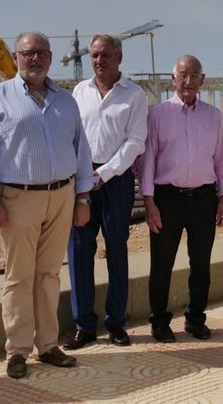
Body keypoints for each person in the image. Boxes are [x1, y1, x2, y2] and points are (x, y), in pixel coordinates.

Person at [0, 31, 94, 379]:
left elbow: (81, 151)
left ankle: (48, 345)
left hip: (62, 196)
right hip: (17, 198)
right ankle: (18, 350)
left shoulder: (66, 100)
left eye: (41, 53)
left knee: (49, 274)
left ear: (50, 58)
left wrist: (82, 198)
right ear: (16, 56)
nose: (35, 59)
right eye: (28, 53)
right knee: (19, 275)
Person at [140, 55, 223, 343]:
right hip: (167, 199)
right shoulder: (157, 115)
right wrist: (149, 201)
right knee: (162, 263)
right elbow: (148, 161)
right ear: (173, 79)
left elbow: (221, 160)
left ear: (202, 80)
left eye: (194, 75)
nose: (188, 81)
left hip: (204, 198)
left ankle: (195, 319)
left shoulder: (214, 116)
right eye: (183, 75)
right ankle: (159, 321)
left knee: (201, 264)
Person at [64, 34, 148, 350]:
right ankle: (84, 325)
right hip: (83, 180)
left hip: (117, 180)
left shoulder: (135, 96)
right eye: (95, 55)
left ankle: (115, 323)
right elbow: (73, 136)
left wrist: (106, 172)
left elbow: (135, 142)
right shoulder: (78, 92)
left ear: (119, 58)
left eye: (106, 55)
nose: (99, 60)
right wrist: (85, 176)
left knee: (117, 250)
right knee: (80, 250)